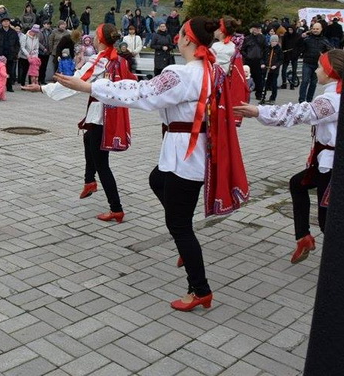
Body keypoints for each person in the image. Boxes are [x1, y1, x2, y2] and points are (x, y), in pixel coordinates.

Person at [54, 16, 249, 312]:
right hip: (187, 152)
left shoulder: (182, 74)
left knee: (179, 224)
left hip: (186, 155)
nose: (177, 36)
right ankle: (186, 246)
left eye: (180, 32)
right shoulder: (210, 70)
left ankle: (200, 288)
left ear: (186, 39)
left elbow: (141, 94)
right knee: (157, 180)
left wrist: (90, 88)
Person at [234, 49, 342, 264]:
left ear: (331, 73)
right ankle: (304, 237)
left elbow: (299, 113)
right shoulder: (335, 95)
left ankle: (335, 273)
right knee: (297, 184)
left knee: (327, 221)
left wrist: (258, 112)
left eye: (320, 67)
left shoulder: (332, 99)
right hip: (324, 162)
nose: (317, 70)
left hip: (332, 167)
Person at [24, 24, 135, 222]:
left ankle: (116, 208)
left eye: (95, 35)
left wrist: (43, 88)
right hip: (109, 113)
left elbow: (77, 82)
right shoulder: (120, 60)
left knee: (103, 164)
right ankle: (89, 181)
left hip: (101, 115)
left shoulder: (100, 60)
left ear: (100, 40)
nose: (92, 38)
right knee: (88, 140)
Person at [299, 22, 332, 103]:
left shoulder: (324, 40)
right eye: (313, 29)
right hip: (307, 63)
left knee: (313, 83)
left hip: (318, 65)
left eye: (317, 29)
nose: (315, 30)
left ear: (321, 29)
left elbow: (330, 50)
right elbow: (299, 47)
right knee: (305, 81)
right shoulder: (307, 39)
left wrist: (325, 55)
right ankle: (302, 100)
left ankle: (309, 100)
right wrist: (301, 38)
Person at [0, 17, 20, 92]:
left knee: (9, 71)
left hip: (10, 54)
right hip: (0, 55)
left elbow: (17, 44)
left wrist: (15, 52)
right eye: (4, 21)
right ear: (2, 23)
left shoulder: (13, 32)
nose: (6, 23)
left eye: (7, 21)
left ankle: (9, 86)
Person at [241, 24, 266, 100]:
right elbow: (242, 49)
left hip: (258, 60)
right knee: (246, 77)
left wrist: (263, 61)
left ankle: (259, 94)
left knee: (259, 78)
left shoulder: (262, 38)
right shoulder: (247, 38)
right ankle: (244, 92)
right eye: (255, 28)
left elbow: (265, 50)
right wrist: (247, 56)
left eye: (257, 29)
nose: (256, 30)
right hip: (249, 61)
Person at [260, 34, 283, 103]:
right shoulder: (267, 48)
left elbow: (281, 60)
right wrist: (262, 64)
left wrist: (276, 65)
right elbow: (262, 58)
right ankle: (263, 97)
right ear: (270, 41)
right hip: (266, 69)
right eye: (273, 41)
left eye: (276, 41)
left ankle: (273, 98)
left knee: (273, 84)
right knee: (265, 84)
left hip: (274, 70)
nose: (274, 42)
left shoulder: (279, 50)